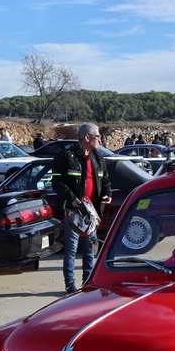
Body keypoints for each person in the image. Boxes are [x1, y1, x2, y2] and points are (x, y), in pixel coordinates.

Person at [51, 122, 112, 293]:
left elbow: (106, 180)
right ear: (87, 137)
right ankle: (70, 286)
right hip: (73, 212)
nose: (100, 140)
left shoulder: (98, 157)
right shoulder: (65, 155)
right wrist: (71, 199)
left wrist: (107, 194)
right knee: (71, 250)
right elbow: (57, 182)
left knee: (89, 250)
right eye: (97, 136)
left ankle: (88, 283)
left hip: (92, 213)